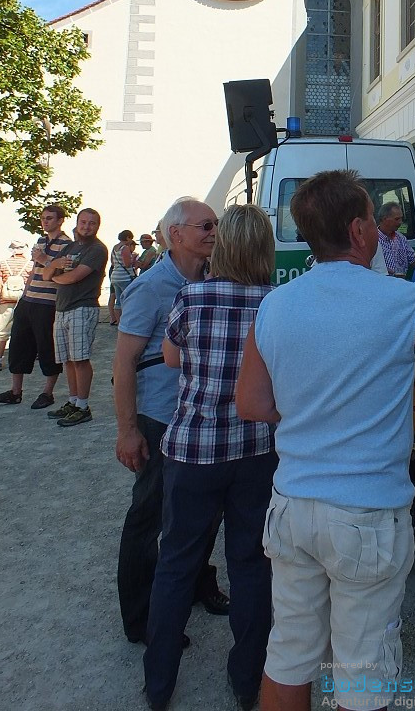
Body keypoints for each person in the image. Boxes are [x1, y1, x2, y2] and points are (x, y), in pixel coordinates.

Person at [235, 169, 415, 711]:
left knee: (288, 656)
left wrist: (309, 413)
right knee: (362, 674)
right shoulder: (398, 300)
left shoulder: (275, 305)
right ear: (360, 230)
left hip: (292, 505)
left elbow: (251, 404)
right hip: (366, 513)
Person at [143, 205, 277, 711]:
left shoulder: (192, 297)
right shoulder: (275, 303)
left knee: (176, 564)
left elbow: (173, 359)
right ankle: (246, 681)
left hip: (195, 448)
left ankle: (159, 685)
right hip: (256, 451)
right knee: (251, 564)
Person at [113, 197, 229, 646]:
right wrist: (127, 430)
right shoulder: (150, 288)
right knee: (150, 516)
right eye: (205, 225)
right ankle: (142, 620)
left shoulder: (212, 279)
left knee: (203, 510)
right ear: (175, 234)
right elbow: (123, 365)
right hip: (161, 419)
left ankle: (201, 585)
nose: (214, 231)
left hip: (201, 416)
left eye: (215, 224)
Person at [0, 205, 72, 409]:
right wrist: (24, 296)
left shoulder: (67, 244)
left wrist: (45, 259)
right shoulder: (41, 241)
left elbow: (64, 269)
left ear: (60, 220)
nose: (45, 221)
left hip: (48, 302)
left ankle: (47, 393)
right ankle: (15, 391)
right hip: (28, 300)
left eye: (50, 218)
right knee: (18, 345)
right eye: (43, 218)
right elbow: (36, 269)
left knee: (46, 348)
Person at [41, 208, 108, 426]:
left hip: (82, 307)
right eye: (84, 222)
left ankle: (83, 406)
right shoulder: (71, 246)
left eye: (92, 223)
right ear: (77, 223)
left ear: (98, 226)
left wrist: (56, 274)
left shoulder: (97, 249)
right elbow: (45, 273)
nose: (87, 227)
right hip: (61, 309)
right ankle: (73, 400)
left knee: (80, 359)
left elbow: (74, 277)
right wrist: (54, 266)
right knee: (68, 360)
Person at [0, 240, 32, 372]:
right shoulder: (30, 264)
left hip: (6, 300)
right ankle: (27, 356)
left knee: (2, 332)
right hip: (24, 301)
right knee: (26, 330)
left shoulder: (3, 264)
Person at [376, 202, 415, 276]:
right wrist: (382, 270)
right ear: (384, 219)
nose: (400, 222)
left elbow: (413, 261)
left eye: (401, 218)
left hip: (401, 283)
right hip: (382, 283)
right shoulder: (373, 239)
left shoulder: (401, 238)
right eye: (397, 219)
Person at [109, 229, 138, 324]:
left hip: (115, 276)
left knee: (118, 301)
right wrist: (132, 258)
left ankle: (119, 322)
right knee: (128, 299)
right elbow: (127, 264)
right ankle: (127, 321)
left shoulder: (115, 247)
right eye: (131, 238)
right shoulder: (124, 248)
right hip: (124, 277)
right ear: (128, 237)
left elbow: (113, 262)